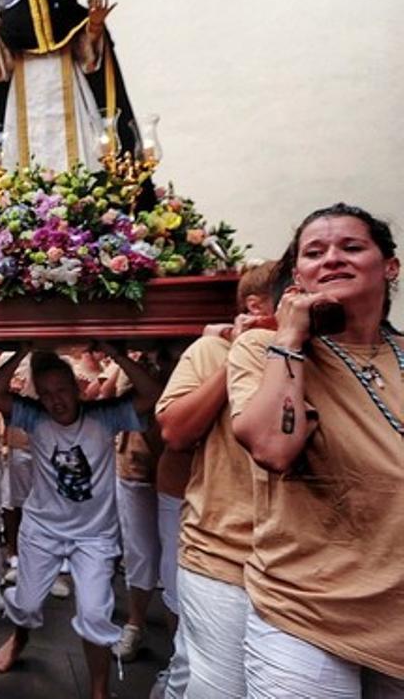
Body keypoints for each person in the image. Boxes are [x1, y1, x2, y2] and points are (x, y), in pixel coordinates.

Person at [227, 204, 403, 697]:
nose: (332, 259)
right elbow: (272, 447)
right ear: (297, 276)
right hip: (305, 615)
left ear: (390, 266)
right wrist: (289, 335)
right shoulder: (263, 351)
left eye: (351, 247)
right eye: (314, 253)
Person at [0, 345, 161, 699]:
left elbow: (152, 395)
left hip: (94, 536)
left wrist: (115, 353)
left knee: (95, 613)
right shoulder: (35, 417)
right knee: (29, 603)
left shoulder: (104, 416)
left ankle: (99, 691)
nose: (55, 401)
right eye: (46, 394)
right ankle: (21, 637)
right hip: (43, 530)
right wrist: (22, 351)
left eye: (62, 390)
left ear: (77, 388)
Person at [158, 262, 276, 699]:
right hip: (222, 551)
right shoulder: (211, 352)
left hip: (299, 560)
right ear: (257, 305)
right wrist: (241, 351)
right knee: (213, 681)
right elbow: (174, 432)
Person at [0, 0, 136, 173]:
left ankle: (84, 192)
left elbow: (89, 59)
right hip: (24, 84)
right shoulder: (9, 20)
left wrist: (94, 26)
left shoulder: (70, 11)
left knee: (81, 139)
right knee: (23, 142)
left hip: (67, 81)